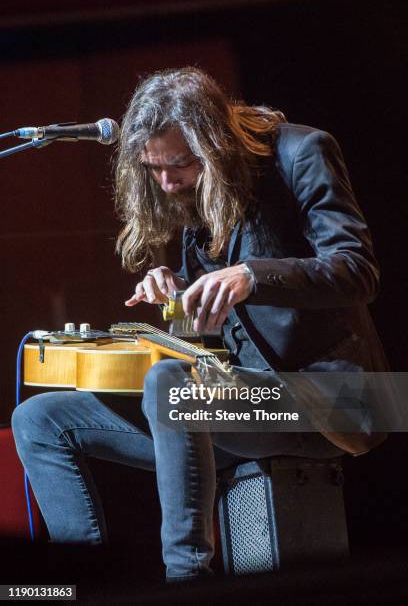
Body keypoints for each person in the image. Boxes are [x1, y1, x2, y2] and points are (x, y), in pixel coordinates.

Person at [12, 67, 388, 581]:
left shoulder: (303, 152)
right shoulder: (196, 194)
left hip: (332, 399)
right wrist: (177, 291)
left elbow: (357, 270)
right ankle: (81, 584)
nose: (167, 182)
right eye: (154, 168)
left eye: (180, 165)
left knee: (169, 385)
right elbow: (217, 320)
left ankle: (186, 579)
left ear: (213, 142)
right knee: (40, 419)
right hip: (240, 404)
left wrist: (252, 275)